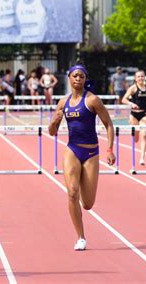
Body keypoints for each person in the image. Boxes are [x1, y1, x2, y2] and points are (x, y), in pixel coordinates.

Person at [48, 63, 115, 251]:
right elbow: (52, 132)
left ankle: (83, 219)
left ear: (85, 80)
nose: (78, 79)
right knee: (71, 193)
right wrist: (54, 121)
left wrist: (109, 149)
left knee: (87, 204)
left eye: (82, 76)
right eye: (75, 75)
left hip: (91, 152)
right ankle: (81, 237)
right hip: (72, 149)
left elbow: (109, 124)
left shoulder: (93, 100)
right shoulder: (63, 102)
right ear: (69, 78)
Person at [121, 70, 146, 165]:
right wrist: (131, 103)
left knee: (144, 135)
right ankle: (135, 134)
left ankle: (142, 158)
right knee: (135, 138)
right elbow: (123, 99)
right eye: (138, 77)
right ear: (135, 79)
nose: (140, 78)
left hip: (144, 114)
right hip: (134, 115)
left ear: (144, 77)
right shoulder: (133, 88)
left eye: (142, 76)